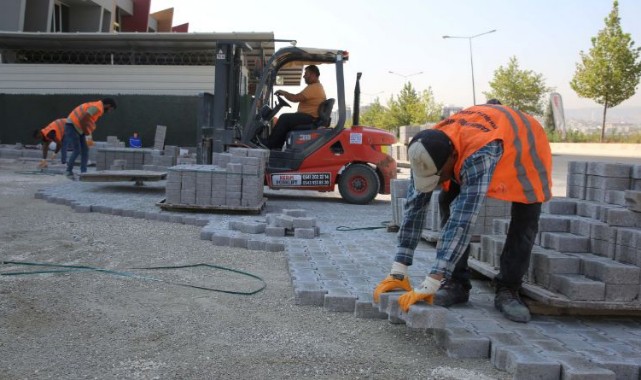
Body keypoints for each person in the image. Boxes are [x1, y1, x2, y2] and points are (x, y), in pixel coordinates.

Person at [373, 102, 552, 323]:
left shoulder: (479, 154)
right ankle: (457, 283)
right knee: (446, 198)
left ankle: (508, 289)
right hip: (480, 140)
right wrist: (399, 268)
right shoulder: (427, 144)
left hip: (527, 146)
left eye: (438, 176)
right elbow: (415, 205)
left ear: (451, 160)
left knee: (526, 216)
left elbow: (463, 221)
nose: (435, 182)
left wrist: (432, 280)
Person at [259, 65, 326, 149]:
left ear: (313, 75)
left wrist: (284, 92)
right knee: (287, 121)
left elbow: (295, 98)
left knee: (284, 118)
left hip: (309, 118)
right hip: (309, 117)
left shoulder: (314, 87)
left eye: (306, 73)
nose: (304, 76)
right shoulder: (316, 87)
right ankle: (277, 146)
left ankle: (270, 143)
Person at [64, 98, 117, 178]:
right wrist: (86, 131)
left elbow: (87, 121)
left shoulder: (97, 107)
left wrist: (87, 131)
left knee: (85, 150)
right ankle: (68, 171)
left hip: (78, 126)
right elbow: (83, 119)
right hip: (72, 126)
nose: (109, 111)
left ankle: (84, 173)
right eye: (111, 109)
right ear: (108, 105)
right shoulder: (96, 107)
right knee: (77, 150)